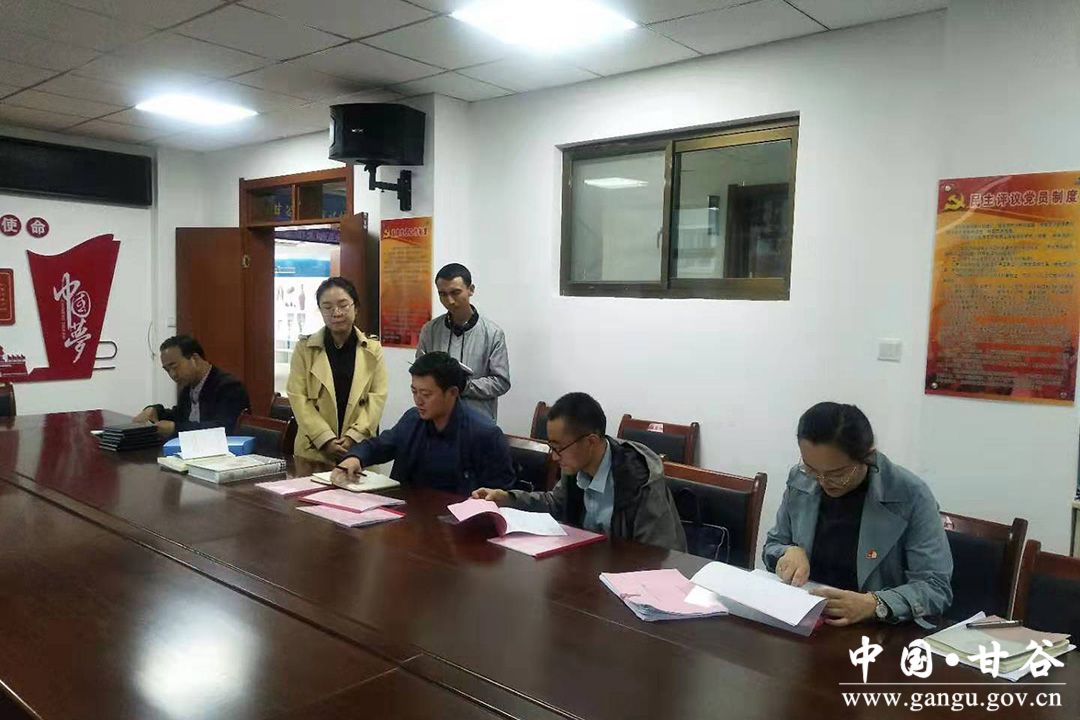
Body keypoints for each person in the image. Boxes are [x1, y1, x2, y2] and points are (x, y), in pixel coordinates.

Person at [762, 402, 953, 627]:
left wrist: (875, 604)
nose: (822, 482)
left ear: (868, 456)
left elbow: (935, 587)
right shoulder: (801, 479)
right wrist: (788, 552)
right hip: (807, 617)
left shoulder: (910, 495)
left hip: (876, 631)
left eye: (837, 474)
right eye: (811, 469)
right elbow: (772, 546)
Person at [472, 392, 687, 552]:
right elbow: (556, 503)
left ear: (591, 442)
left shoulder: (640, 481)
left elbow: (658, 554)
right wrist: (507, 498)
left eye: (559, 448)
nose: (555, 457)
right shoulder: (576, 467)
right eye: (551, 447)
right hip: (585, 569)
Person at [332, 351, 514, 494]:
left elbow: (499, 495)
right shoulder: (413, 419)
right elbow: (380, 445)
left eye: (426, 394)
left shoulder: (485, 434)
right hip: (407, 514)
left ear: (452, 393)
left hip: (457, 522)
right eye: (414, 392)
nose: (418, 400)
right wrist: (355, 457)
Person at [287, 277, 388, 463]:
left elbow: (377, 398)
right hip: (314, 450)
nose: (336, 312)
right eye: (327, 307)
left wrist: (352, 437)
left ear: (356, 308)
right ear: (320, 311)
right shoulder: (305, 349)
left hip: (358, 451)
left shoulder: (372, 349)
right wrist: (325, 439)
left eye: (343, 305)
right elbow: (298, 398)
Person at [416, 263, 510, 421]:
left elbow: (501, 382)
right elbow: (420, 373)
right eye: (443, 294)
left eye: (455, 292)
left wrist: (465, 386)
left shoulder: (493, 334)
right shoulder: (430, 330)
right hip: (438, 420)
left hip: (477, 422)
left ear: (471, 289)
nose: (450, 301)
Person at [134, 335, 250, 437]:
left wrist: (175, 428)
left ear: (195, 359)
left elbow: (223, 429)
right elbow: (179, 416)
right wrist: (155, 410)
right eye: (167, 370)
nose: (172, 375)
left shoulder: (229, 387)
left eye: (174, 367)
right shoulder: (188, 386)